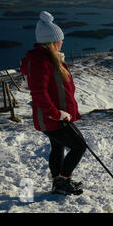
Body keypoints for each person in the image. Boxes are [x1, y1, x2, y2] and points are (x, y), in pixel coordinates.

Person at [20, 11, 86, 196]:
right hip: (53, 117)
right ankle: (63, 181)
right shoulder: (42, 62)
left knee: (58, 147)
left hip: (55, 116)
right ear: (51, 41)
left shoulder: (49, 59)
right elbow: (38, 93)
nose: (62, 42)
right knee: (79, 145)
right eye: (60, 39)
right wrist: (55, 114)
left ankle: (58, 183)